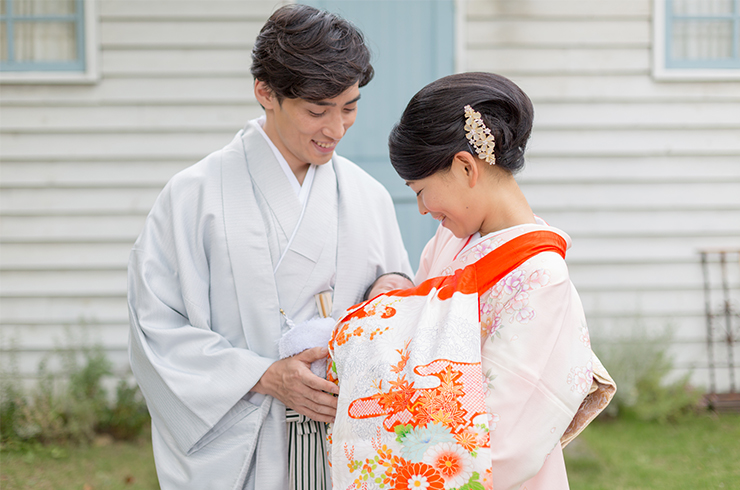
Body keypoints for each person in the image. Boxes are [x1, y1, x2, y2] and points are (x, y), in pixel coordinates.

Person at [126, 5, 412, 490]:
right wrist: (263, 375)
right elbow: (156, 328)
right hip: (244, 439)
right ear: (266, 93)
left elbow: (400, 298)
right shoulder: (194, 196)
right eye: (317, 111)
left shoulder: (369, 196)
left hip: (347, 437)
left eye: (349, 106)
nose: (336, 130)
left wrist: (396, 287)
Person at [326, 72, 615, 490]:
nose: (423, 209)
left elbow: (509, 439)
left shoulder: (540, 278)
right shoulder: (450, 239)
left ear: (465, 166)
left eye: (421, 190)